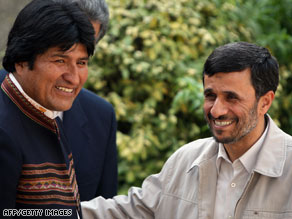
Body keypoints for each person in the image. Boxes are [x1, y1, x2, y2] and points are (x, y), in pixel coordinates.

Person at [82, 42, 292, 219]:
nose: (216, 110)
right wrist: (54, 213)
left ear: (265, 102)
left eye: (232, 97)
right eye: (210, 96)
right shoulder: (185, 160)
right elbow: (125, 211)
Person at [0, 0, 117, 218]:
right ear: (22, 60)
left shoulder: (48, 112)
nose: (73, 78)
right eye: (60, 60)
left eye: (81, 63)